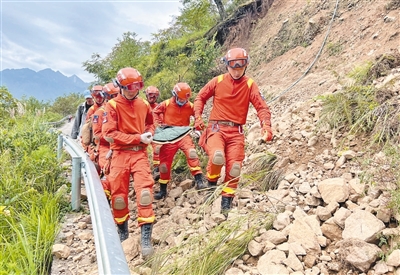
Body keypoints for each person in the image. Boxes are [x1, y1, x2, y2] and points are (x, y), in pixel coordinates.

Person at [193, 47, 273, 217]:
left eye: (240, 68)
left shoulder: (250, 84)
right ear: (226, 66)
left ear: (246, 66)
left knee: (235, 168)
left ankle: (226, 203)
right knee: (217, 157)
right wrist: (198, 117)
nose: (236, 72)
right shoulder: (218, 81)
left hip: (236, 132)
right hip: (216, 128)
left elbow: (262, 107)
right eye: (233, 68)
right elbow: (200, 97)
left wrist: (266, 125)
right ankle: (211, 184)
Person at [102, 67, 155, 258]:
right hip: (120, 155)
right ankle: (123, 232)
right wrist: (137, 138)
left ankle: (146, 238)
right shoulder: (113, 106)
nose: (133, 90)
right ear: (120, 86)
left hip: (139, 154)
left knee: (145, 193)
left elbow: (151, 123)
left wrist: (149, 134)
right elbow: (109, 134)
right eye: (129, 87)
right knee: (118, 197)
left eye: (137, 86)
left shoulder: (143, 105)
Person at [152, 82, 206, 200]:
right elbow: (155, 112)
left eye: (185, 99)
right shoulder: (166, 104)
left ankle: (199, 180)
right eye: (180, 99)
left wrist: (198, 127)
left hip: (183, 134)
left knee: (192, 154)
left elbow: (198, 115)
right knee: (164, 165)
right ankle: (163, 190)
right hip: (169, 136)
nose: (182, 101)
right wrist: (159, 126)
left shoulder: (190, 105)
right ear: (175, 95)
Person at [91, 83, 119, 202]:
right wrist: (112, 138)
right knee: (107, 170)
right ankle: (104, 200)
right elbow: (97, 133)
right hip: (105, 147)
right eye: (112, 96)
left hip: (119, 146)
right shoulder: (100, 113)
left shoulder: (121, 110)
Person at [144, 86, 161, 180]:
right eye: (150, 95)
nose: (152, 97)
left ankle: (156, 169)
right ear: (146, 95)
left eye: (155, 96)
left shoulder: (159, 107)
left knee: (157, 149)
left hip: (155, 132)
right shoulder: (142, 105)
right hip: (142, 132)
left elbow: (162, 120)